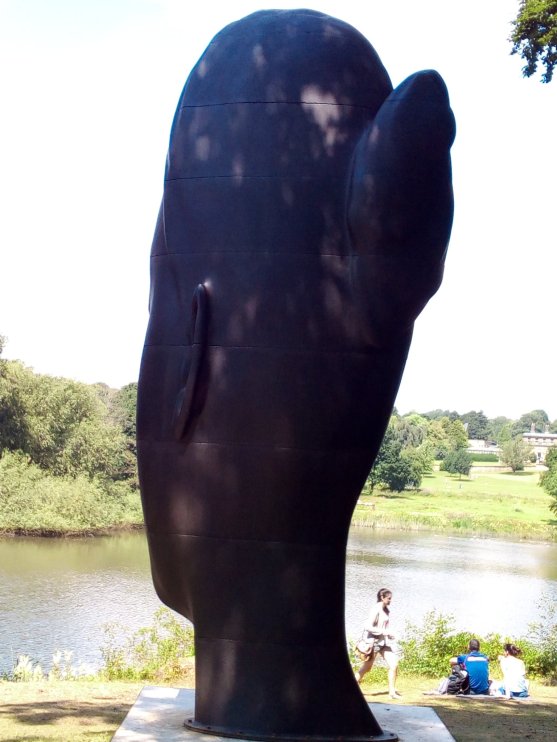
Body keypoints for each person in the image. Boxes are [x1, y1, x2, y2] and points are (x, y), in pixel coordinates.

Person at [355, 588, 401, 699]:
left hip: (384, 643)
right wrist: (384, 632)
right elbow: (367, 626)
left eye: (391, 598)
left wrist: (388, 634)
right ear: (382, 597)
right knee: (366, 668)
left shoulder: (385, 609)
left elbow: (383, 626)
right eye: (389, 598)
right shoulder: (376, 609)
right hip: (374, 643)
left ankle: (392, 692)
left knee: (394, 665)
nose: (390, 600)